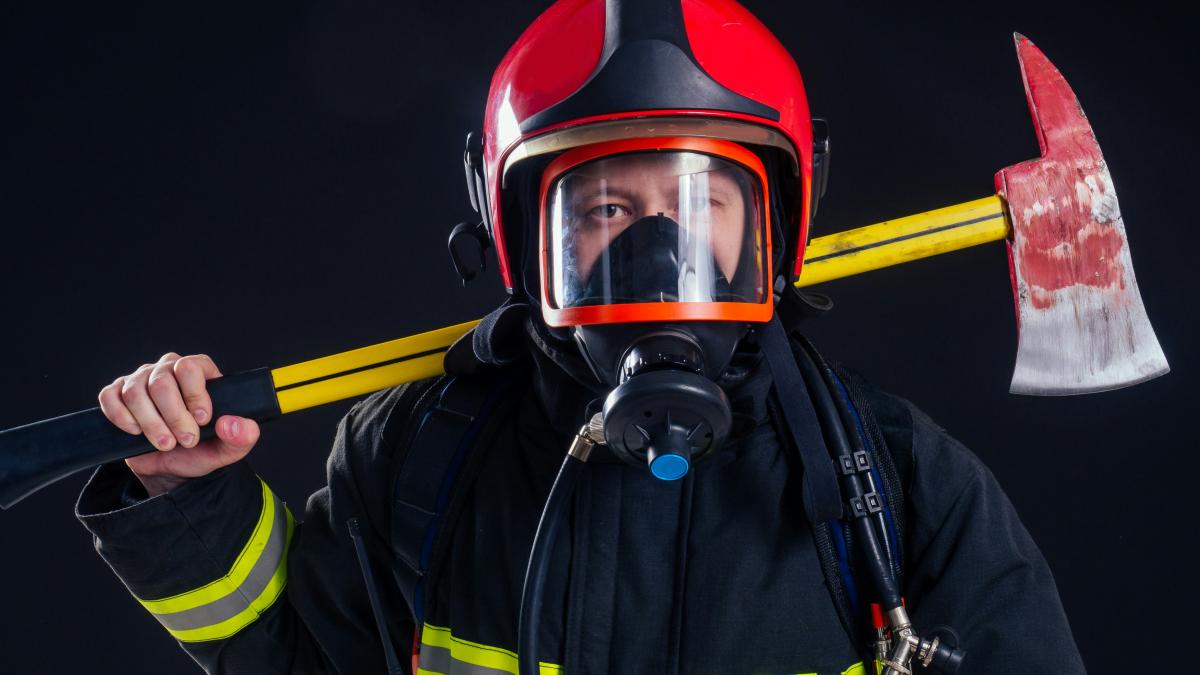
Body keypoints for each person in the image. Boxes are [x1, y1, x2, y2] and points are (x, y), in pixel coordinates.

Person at [76, 0, 1087, 673]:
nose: (657, 248)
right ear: (521, 235)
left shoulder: (896, 482)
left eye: (699, 201)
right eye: (604, 208)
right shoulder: (416, 454)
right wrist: (183, 498)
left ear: (775, 225)